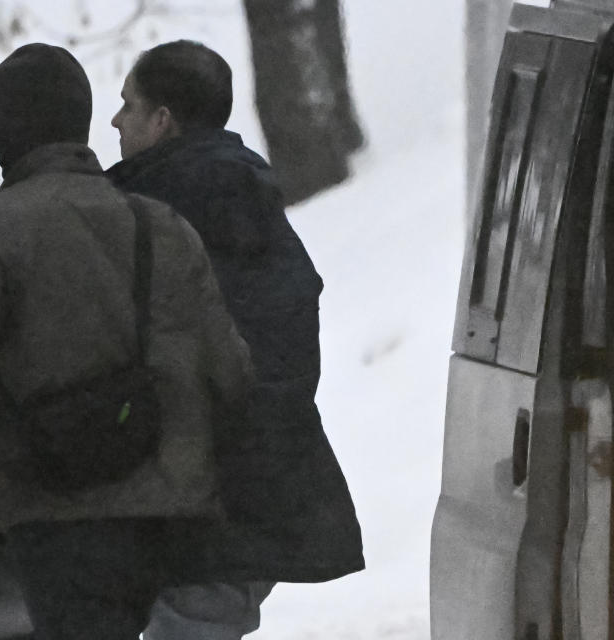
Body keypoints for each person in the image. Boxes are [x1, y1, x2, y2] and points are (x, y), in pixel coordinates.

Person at [0, 43, 255, 640]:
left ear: (14, 130)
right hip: (169, 514)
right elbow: (232, 372)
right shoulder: (162, 225)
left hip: (59, 510)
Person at [106, 40, 365, 640]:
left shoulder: (159, 213)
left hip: (195, 495)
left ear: (163, 120)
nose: (116, 121)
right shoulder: (250, 200)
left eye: (128, 105)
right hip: (257, 481)